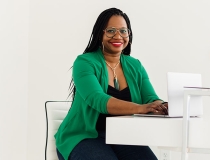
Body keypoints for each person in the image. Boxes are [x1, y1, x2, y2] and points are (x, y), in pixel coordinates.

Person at [54, 7, 168, 160]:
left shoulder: (135, 66)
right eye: (111, 30)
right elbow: (98, 100)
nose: (118, 36)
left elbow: (151, 98)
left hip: (122, 136)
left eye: (123, 31)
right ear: (100, 33)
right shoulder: (84, 62)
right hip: (83, 137)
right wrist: (141, 108)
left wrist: (163, 106)